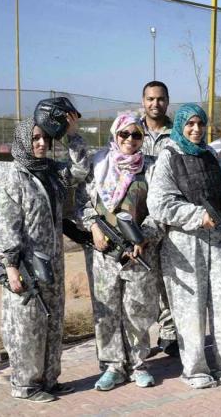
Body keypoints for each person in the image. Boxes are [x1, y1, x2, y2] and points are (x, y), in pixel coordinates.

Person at [147, 103, 221, 389]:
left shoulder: (210, 155)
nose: (195, 129)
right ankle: (195, 370)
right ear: (180, 125)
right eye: (190, 124)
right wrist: (196, 216)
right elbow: (159, 204)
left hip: (218, 240)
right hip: (184, 243)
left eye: (200, 124)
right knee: (189, 309)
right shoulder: (168, 157)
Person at [0, 112, 88, 402]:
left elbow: (80, 171)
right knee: (27, 325)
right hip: (26, 265)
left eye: (45, 137)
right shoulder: (13, 177)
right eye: (35, 138)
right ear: (22, 141)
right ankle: (26, 385)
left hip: (53, 264)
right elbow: (3, 222)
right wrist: (11, 265)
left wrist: (72, 134)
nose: (42, 143)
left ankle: (49, 379)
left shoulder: (52, 172)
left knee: (53, 322)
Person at [79, 114, 161, 391]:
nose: (129, 140)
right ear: (115, 135)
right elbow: (82, 202)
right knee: (107, 311)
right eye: (124, 134)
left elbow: (160, 209)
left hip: (139, 253)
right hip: (103, 254)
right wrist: (93, 227)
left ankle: (138, 364)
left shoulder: (151, 168)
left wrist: (144, 237)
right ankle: (113, 366)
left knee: (137, 310)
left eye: (136, 135)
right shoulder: (99, 163)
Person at [139, 80, 178, 356]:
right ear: (144, 101)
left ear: (167, 101)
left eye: (161, 99)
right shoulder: (130, 131)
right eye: (151, 99)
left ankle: (170, 333)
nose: (156, 104)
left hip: (167, 215)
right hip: (138, 214)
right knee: (144, 279)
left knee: (169, 276)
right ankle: (140, 339)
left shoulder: (177, 133)